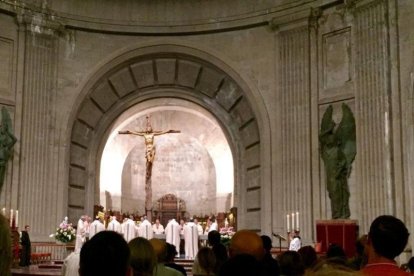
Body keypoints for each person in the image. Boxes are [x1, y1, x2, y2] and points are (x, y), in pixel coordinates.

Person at [0, 107, 17, 192]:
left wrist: (9, 133)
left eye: (4, 127)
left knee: (0, 181)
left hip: (2, 163)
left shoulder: (6, 147)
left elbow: (14, 140)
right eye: (2, 126)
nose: (3, 128)